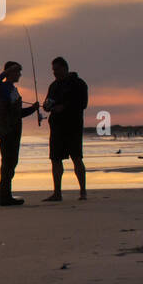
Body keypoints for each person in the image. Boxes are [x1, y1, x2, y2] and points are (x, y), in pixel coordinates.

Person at [0, 61, 40, 206]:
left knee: (11, 163)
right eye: (17, 71)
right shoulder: (3, 87)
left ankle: (5, 195)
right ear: (10, 72)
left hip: (14, 130)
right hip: (6, 130)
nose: (19, 74)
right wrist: (7, 72)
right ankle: (3, 197)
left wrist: (33, 109)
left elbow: (18, 113)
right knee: (8, 163)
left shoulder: (12, 89)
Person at [42, 56, 88, 201]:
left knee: (76, 158)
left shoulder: (79, 83)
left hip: (73, 126)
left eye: (57, 70)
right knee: (55, 159)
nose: (54, 73)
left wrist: (65, 106)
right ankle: (57, 192)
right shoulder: (53, 86)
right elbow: (48, 103)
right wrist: (47, 106)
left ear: (65, 68)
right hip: (56, 127)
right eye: (53, 70)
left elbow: (83, 103)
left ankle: (83, 192)